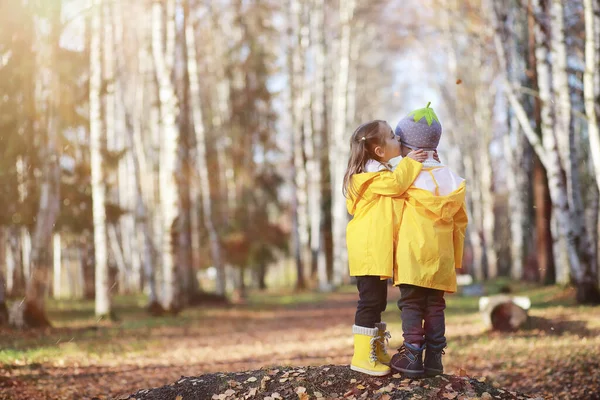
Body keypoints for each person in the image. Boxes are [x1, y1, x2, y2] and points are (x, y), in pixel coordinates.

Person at [389, 102, 468, 378]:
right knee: (435, 305)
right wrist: (454, 259)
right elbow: (460, 223)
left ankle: (412, 353)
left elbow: (394, 217)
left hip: (412, 255)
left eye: (400, 145)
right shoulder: (452, 179)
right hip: (441, 257)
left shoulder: (406, 179)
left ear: (411, 150)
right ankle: (435, 358)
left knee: (410, 303)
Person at [343, 119, 427, 376]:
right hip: (368, 250)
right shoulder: (371, 177)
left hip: (374, 250)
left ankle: (374, 350)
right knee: (369, 302)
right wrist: (412, 161)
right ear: (378, 151)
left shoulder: (377, 173)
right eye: (392, 137)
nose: (398, 139)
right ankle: (361, 357)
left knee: (377, 301)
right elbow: (397, 185)